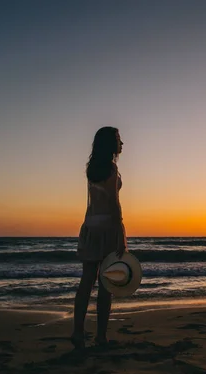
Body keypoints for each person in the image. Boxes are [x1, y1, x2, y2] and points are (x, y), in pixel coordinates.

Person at [72, 126, 127, 349]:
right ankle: (100, 336)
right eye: (118, 139)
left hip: (90, 225)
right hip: (107, 227)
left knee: (86, 282)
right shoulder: (112, 169)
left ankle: (77, 332)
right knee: (106, 284)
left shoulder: (91, 169)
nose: (122, 143)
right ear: (110, 144)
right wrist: (121, 234)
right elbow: (114, 203)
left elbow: (92, 202)